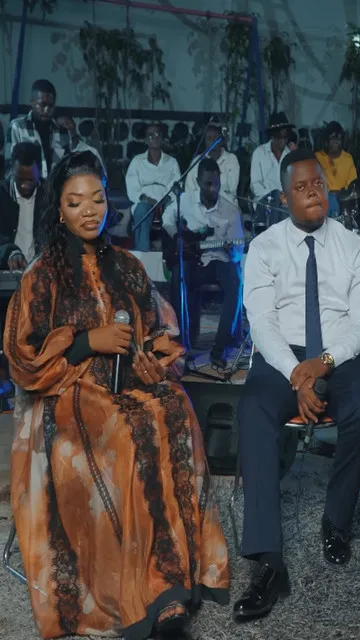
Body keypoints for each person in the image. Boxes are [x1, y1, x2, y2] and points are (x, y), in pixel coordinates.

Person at [3, 151, 229, 640]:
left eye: (98, 198)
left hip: (129, 384)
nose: (89, 210)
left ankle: (171, 584)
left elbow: (160, 331)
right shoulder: (42, 275)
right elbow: (24, 358)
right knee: (127, 436)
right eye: (75, 202)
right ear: (58, 210)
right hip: (69, 394)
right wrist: (90, 341)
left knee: (175, 408)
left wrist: (152, 357)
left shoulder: (128, 265)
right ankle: (146, 597)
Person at [234, 148, 360, 621]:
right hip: (283, 355)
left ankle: (335, 521)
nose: (313, 193)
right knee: (253, 410)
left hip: (338, 352)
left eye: (318, 183)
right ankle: (268, 561)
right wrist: (297, 373)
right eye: (301, 187)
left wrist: (324, 363)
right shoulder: (264, 248)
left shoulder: (353, 247)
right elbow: (261, 322)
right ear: (284, 198)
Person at [163, 158, 244, 369]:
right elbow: (166, 218)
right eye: (208, 184)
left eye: (216, 184)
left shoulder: (230, 211)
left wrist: (231, 249)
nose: (213, 189)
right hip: (193, 260)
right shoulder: (185, 201)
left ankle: (220, 348)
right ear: (198, 182)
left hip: (219, 261)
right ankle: (182, 343)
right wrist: (177, 237)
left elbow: (238, 251)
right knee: (179, 277)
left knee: (235, 284)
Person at [126, 123, 181, 251]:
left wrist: (167, 199)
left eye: (157, 135)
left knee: (175, 212)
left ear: (162, 138)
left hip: (166, 200)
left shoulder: (172, 162)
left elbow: (176, 185)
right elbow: (132, 187)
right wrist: (147, 200)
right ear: (146, 140)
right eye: (151, 135)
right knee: (142, 211)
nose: (155, 138)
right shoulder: (137, 161)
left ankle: (171, 253)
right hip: (144, 201)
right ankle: (143, 254)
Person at [4, 79, 70, 179]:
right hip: (27, 188)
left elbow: (69, 168)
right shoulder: (17, 127)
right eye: (42, 105)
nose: (47, 110)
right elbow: (10, 169)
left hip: (55, 188)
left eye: (51, 106)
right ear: (32, 102)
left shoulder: (62, 131)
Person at [0, 141, 45, 270]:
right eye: (20, 179)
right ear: (11, 170)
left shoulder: (50, 196)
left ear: (40, 171)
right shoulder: (2, 195)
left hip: (42, 272)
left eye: (31, 179)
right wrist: (10, 252)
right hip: (7, 273)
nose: (25, 185)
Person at [250, 112, 293, 226]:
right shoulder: (259, 153)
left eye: (285, 137)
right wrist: (273, 196)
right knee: (277, 199)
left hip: (286, 202)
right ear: (272, 136)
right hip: (263, 202)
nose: (283, 140)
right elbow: (255, 185)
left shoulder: (290, 156)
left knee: (286, 206)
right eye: (280, 137)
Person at [185, 123, 240, 206]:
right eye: (209, 138)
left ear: (221, 141)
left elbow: (231, 190)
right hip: (200, 207)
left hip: (226, 205)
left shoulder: (231, 159)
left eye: (215, 138)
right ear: (205, 141)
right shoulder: (197, 161)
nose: (212, 141)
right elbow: (190, 190)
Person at [315, 121, 357, 217]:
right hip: (323, 199)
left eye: (338, 139)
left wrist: (340, 193)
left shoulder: (348, 158)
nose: (335, 142)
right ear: (326, 140)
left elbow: (352, 185)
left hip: (342, 200)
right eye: (332, 138)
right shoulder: (318, 157)